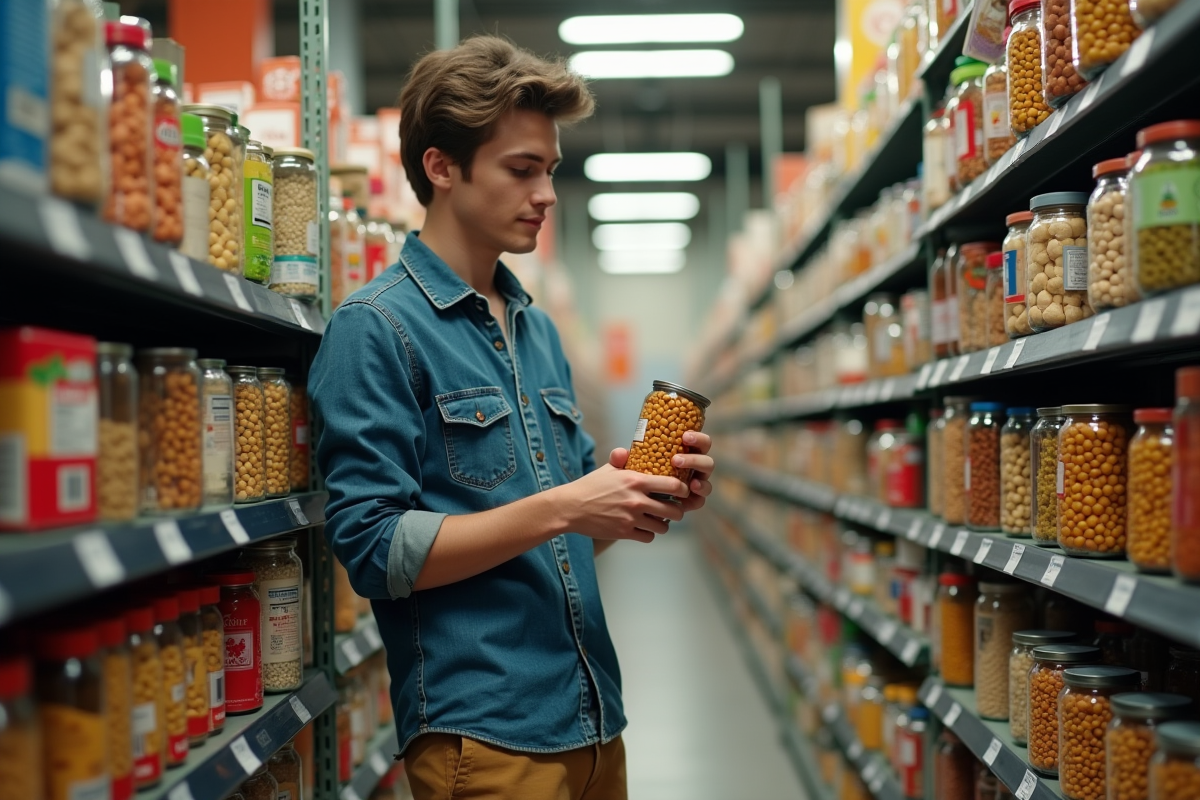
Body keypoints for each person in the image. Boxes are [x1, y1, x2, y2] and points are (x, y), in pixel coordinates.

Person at [308, 35, 715, 800]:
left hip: (595, 721)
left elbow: (575, 537)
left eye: (550, 169)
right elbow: (374, 550)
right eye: (522, 169)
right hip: (486, 738)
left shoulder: (537, 330)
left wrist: (641, 500)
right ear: (442, 168)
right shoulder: (376, 328)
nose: (547, 193)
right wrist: (566, 506)